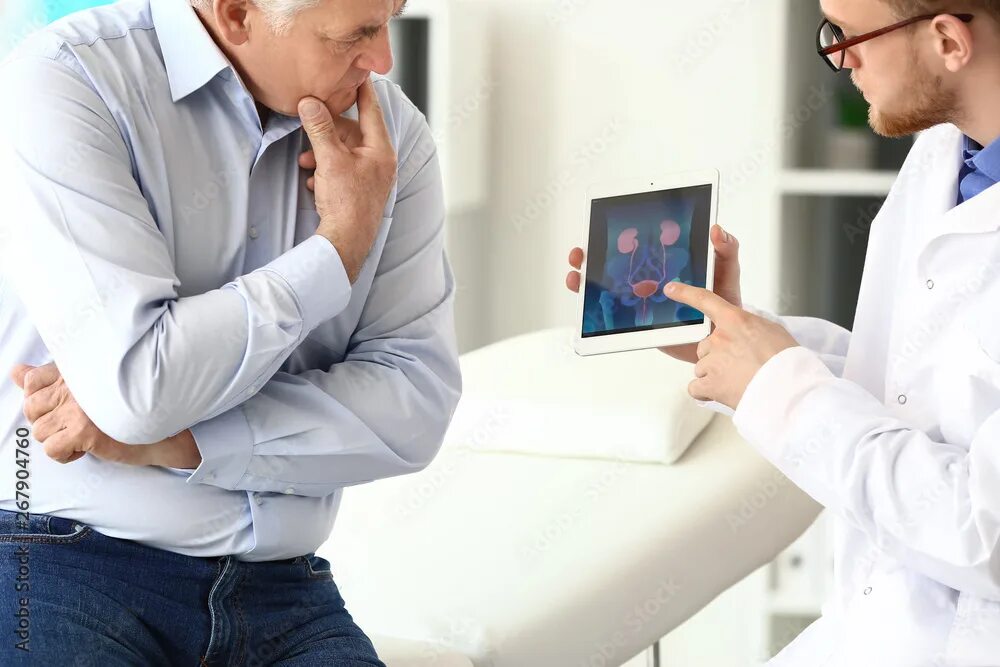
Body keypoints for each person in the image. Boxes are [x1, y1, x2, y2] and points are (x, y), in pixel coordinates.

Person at [0, 0, 461, 663]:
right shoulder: (64, 83)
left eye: (389, 19)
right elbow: (142, 387)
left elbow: (414, 407)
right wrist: (339, 247)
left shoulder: (390, 136)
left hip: (285, 591)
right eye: (356, 35)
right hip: (59, 559)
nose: (383, 61)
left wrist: (179, 442)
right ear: (238, 12)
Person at [568, 1, 1000, 664]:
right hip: (872, 625)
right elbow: (915, 384)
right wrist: (742, 339)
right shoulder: (945, 152)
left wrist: (783, 389)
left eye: (849, 34)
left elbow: (984, 535)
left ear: (947, 40)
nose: (838, 57)